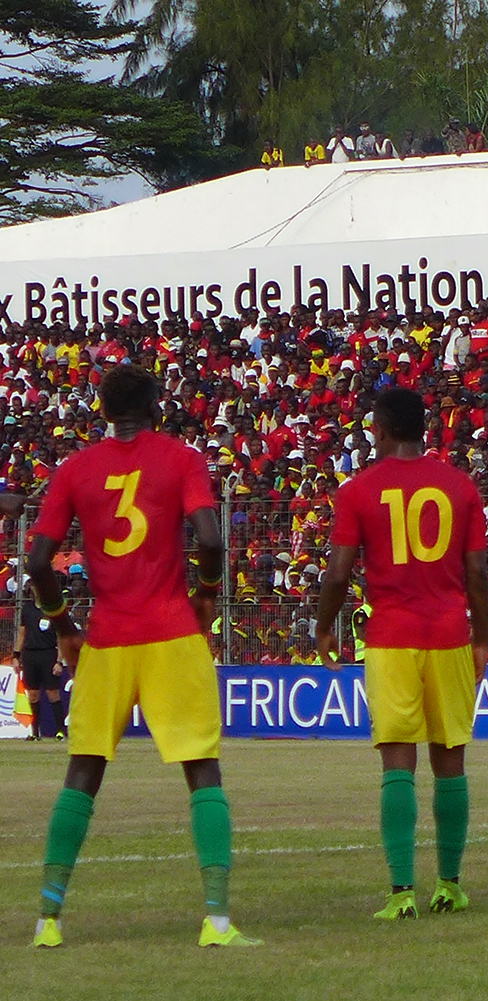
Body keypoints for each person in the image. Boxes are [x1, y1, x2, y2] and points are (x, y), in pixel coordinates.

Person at [27, 365, 259, 949]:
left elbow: (37, 564)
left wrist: (63, 628)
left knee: (83, 771)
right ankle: (216, 920)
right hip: (173, 633)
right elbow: (209, 537)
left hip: (106, 636)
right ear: (156, 405)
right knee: (201, 767)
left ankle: (49, 922)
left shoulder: (75, 469)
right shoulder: (180, 457)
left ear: (103, 410)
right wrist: (206, 592)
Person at [315, 387, 488, 920]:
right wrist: (481, 637)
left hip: (390, 638)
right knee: (450, 760)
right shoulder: (460, 487)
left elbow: (340, 572)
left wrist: (325, 627)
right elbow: (478, 575)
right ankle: (450, 884)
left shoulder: (358, 491)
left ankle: (400, 893)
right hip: (448, 634)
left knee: (397, 760)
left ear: (383, 431)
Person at [16, 593, 65, 740]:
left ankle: (60, 730)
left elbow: (60, 636)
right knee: (33, 695)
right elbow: (22, 633)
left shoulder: (52, 609)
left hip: (48, 653)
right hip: (30, 655)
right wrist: (16, 655)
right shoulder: (27, 609)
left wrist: (59, 661)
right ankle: (34, 732)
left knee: (52, 693)